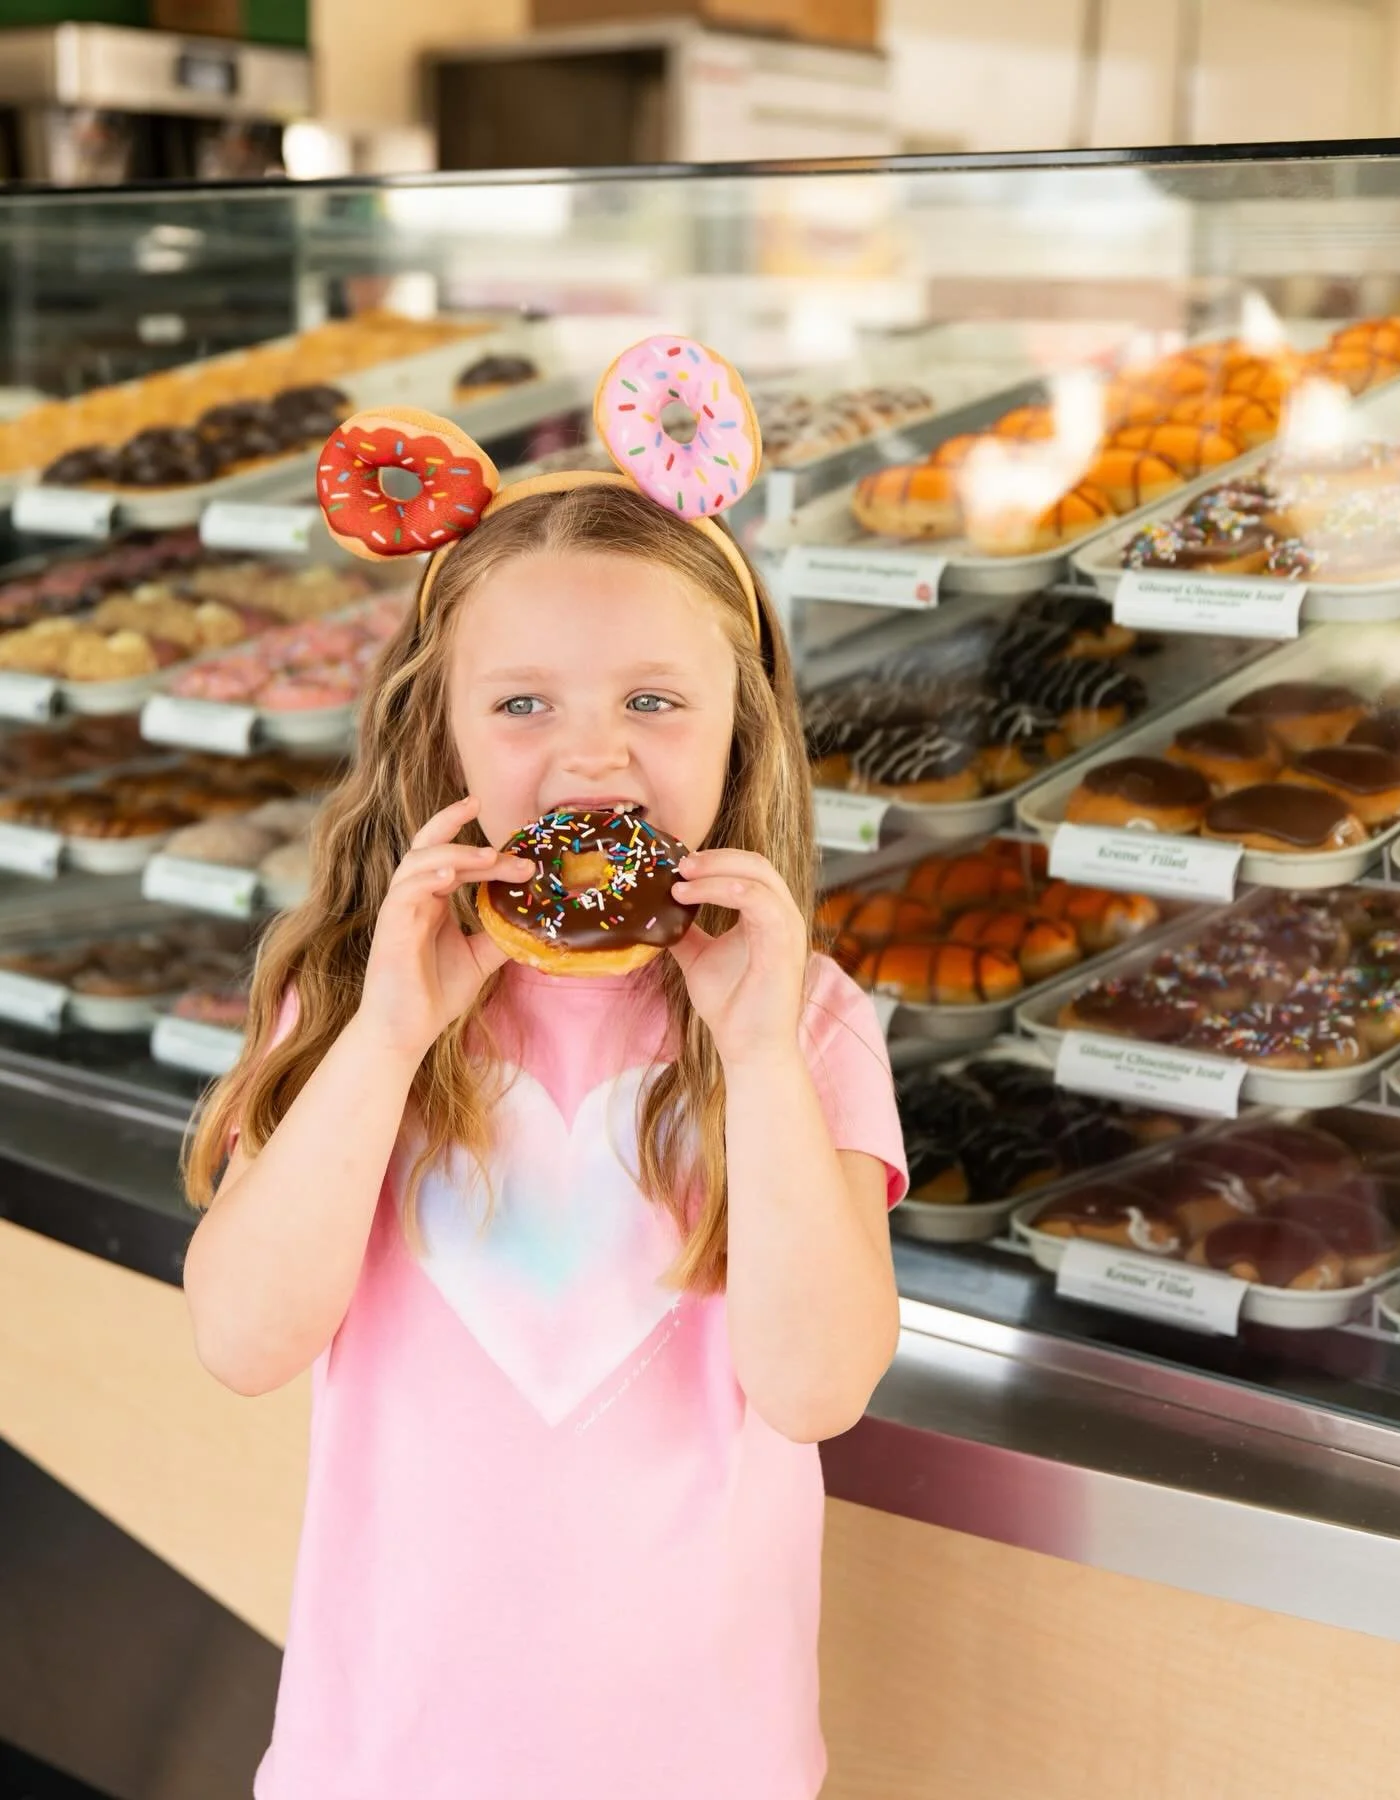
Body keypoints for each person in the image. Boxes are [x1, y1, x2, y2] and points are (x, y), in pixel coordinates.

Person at [182, 351, 906, 1800]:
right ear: (433, 730)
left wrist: (759, 1056)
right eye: (521, 708)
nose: (591, 758)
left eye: (655, 701)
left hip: (708, 1764)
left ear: (739, 732)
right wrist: (386, 1038)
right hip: (381, 1757)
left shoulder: (801, 1023)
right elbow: (241, 1341)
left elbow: (819, 1387)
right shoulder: (353, 1004)